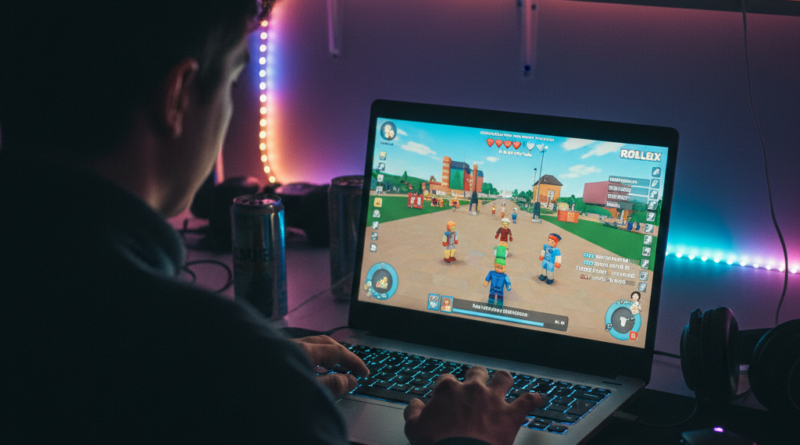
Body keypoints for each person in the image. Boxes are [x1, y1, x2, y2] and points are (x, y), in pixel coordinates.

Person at [0, 1, 541, 444]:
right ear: (178, 95)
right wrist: (465, 440)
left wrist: (258, 365)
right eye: (236, 80)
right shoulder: (234, 375)